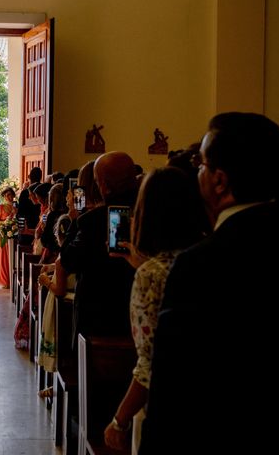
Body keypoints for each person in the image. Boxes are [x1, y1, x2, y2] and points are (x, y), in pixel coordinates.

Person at [140, 113, 279, 455]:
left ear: (220, 181)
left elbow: (172, 384)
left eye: (201, 163)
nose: (196, 170)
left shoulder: (201, 263)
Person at [102, 167, 207, 454]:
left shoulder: (153, 275)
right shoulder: (210, 258)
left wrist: (119, 420)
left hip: (171, 408)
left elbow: (151, 364)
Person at [61, 151, 139, 343]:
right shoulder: (149, 213)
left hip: (98, 316)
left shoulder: (92, 221)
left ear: (102, 184)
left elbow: (69, 261)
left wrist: (73, 220)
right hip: (136, 313)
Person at [36, 214, 75, 393]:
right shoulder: (74, 253)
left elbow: (58, 289)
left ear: (58, 236)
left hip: (59, 304)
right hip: (73, 306)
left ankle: (56, 385)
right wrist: (52, 268)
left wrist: (45, 280)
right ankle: (55, 385)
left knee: (56, 340)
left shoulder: (63, 257)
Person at [0, 186, 16, 288]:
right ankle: (5, 280)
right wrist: (5, 223)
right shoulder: (1, 207)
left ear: (13, 195)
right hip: (3, 236)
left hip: (13, 235)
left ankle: (13, 280)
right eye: (6, 195)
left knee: (12, 258)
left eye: (10, 195)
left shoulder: (16, 207)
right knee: (4, 259)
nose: (8, 197)